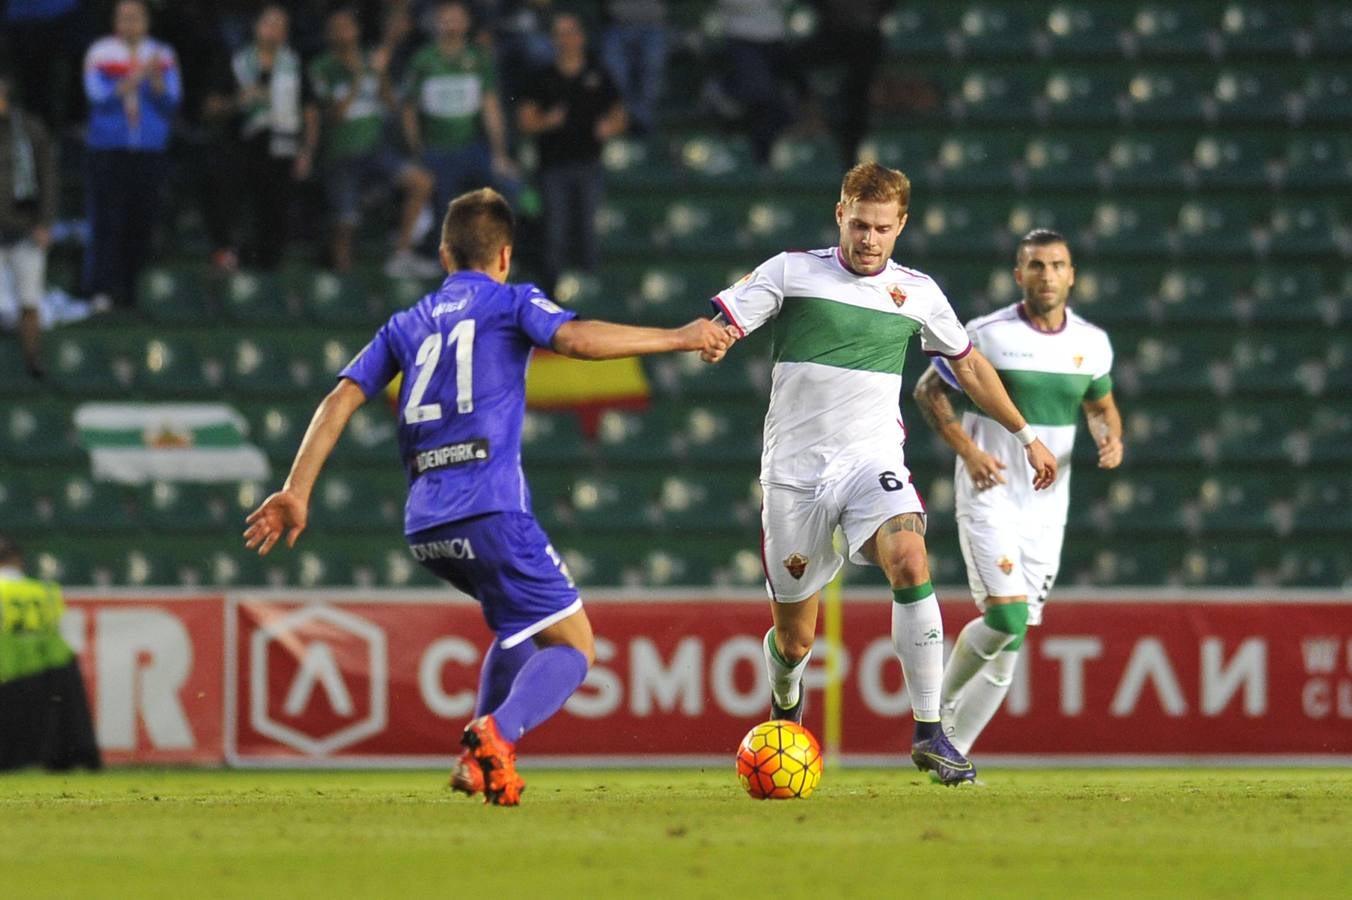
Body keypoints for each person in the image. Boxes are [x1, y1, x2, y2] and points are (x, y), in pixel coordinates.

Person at [243, 187, 732, 805]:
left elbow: (340, 397)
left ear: (445, 256)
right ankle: (494, 731)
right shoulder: (511, 301)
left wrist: (295, 490)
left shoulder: (407, 322)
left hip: (426, 524)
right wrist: (680, 336)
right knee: (575, 646)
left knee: (518, 632)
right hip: (490, 509)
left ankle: (473, 764)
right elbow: (577, 341)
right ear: (505, 255)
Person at [706, 162, 1058, 786]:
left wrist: (1024, 435)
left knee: (911, 560)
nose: (869, 239)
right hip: (793, 475)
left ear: (901, 227)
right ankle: (787, 698)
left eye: (883, 228)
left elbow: (969, 368)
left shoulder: (918, 292)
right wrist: (716, 336)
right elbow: (728, 320)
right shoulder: (791, 271)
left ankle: (930, 730)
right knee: (794, 641)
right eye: (860, 224)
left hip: (871, 463)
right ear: (840, 214)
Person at [913, 229, 1123, 758]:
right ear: (1018, 274)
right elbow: (928, 390)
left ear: (1072, 275)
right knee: (1006, 617)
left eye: (1056, 264)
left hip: (1048, 508)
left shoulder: (1091, 343)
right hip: (992, 492)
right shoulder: (987, 334)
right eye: (1036, 265)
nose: (1046, 275)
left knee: (1011, 642)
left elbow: (1100, 406)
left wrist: (1109, 439)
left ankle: (947, 753)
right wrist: (968, 450)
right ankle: (930, 719)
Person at [303, 6, 437, 277]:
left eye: (347, 26)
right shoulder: (322, 67)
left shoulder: (371, 60)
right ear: (329, 35)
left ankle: (401, 254)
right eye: (336, 28)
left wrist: (382, 73)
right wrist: (357, 76)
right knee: (345, 223)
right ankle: (343, 282)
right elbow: (334, 115)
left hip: (375, 151)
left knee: (422, 182)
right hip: (340, 154)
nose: (343, 33)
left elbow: (391, 105)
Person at [517, 11, 626, 298]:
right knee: (556, 229)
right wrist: (547, 121)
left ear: (581, 37)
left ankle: (590, 291)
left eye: (571, 32)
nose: (566, 39)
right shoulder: (542, 77)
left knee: (587, 227)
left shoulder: (598, 73)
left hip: (589, 162)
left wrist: (609, 127)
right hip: (553, 164)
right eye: (560, 33)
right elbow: (525, 120)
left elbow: (619, 115)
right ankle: (552, 294)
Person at [82, 0, 182, 310]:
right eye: (124, 18)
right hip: (110, 147)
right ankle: (102, 289)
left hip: (149, 149)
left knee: (141, 220)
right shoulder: (101, 52)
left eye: (135, 17)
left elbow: (172, 100)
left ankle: (131, 291)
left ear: (147, 21)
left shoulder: (163, 55)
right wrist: (138, 76)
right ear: (115, 21)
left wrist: (154, 81)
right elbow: (98, 97)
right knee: (107, 220)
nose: (130, 23)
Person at [400, 2, 518, 230]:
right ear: (436, 23)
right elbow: (408, 110)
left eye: (457, 18)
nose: (452, 25)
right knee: (445, 215)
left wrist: (499, 154)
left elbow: (491, 108)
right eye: (446, 19)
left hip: (470, 147)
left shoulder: (478, 59)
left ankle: (501, 253)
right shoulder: (423, 60)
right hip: (436, 149)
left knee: (509, 184)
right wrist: (416, 150)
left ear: (467, 23)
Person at [212, 4, 308, 271]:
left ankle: (267, 269)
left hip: (283, 145)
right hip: (244, 145)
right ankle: (234, 258)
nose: (274, 31)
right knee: (240, 205)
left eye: (280, 25)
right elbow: (212, 106)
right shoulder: (237, 62)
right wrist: (238, 101)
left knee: (275, 211)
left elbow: (309, 109)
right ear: (256, 27)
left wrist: (306, 150)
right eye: (269, 23)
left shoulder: (295, 64)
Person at [0, 534, 101, 772]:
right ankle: (67, 758)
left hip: (7, 668)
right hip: (49, 669)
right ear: (19, 560)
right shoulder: (45, 591)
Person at [0, 73, 57, 378]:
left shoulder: (30, 129)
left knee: (30, 300)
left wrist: (45, 223)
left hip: (25, 228)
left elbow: (48, 177)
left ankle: (33, 359)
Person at [600, 0, 667, 137]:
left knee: (651, 67)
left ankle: (642, 121)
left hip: (652, 24)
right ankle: (624, 120)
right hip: (616, 25)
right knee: (615, 73)